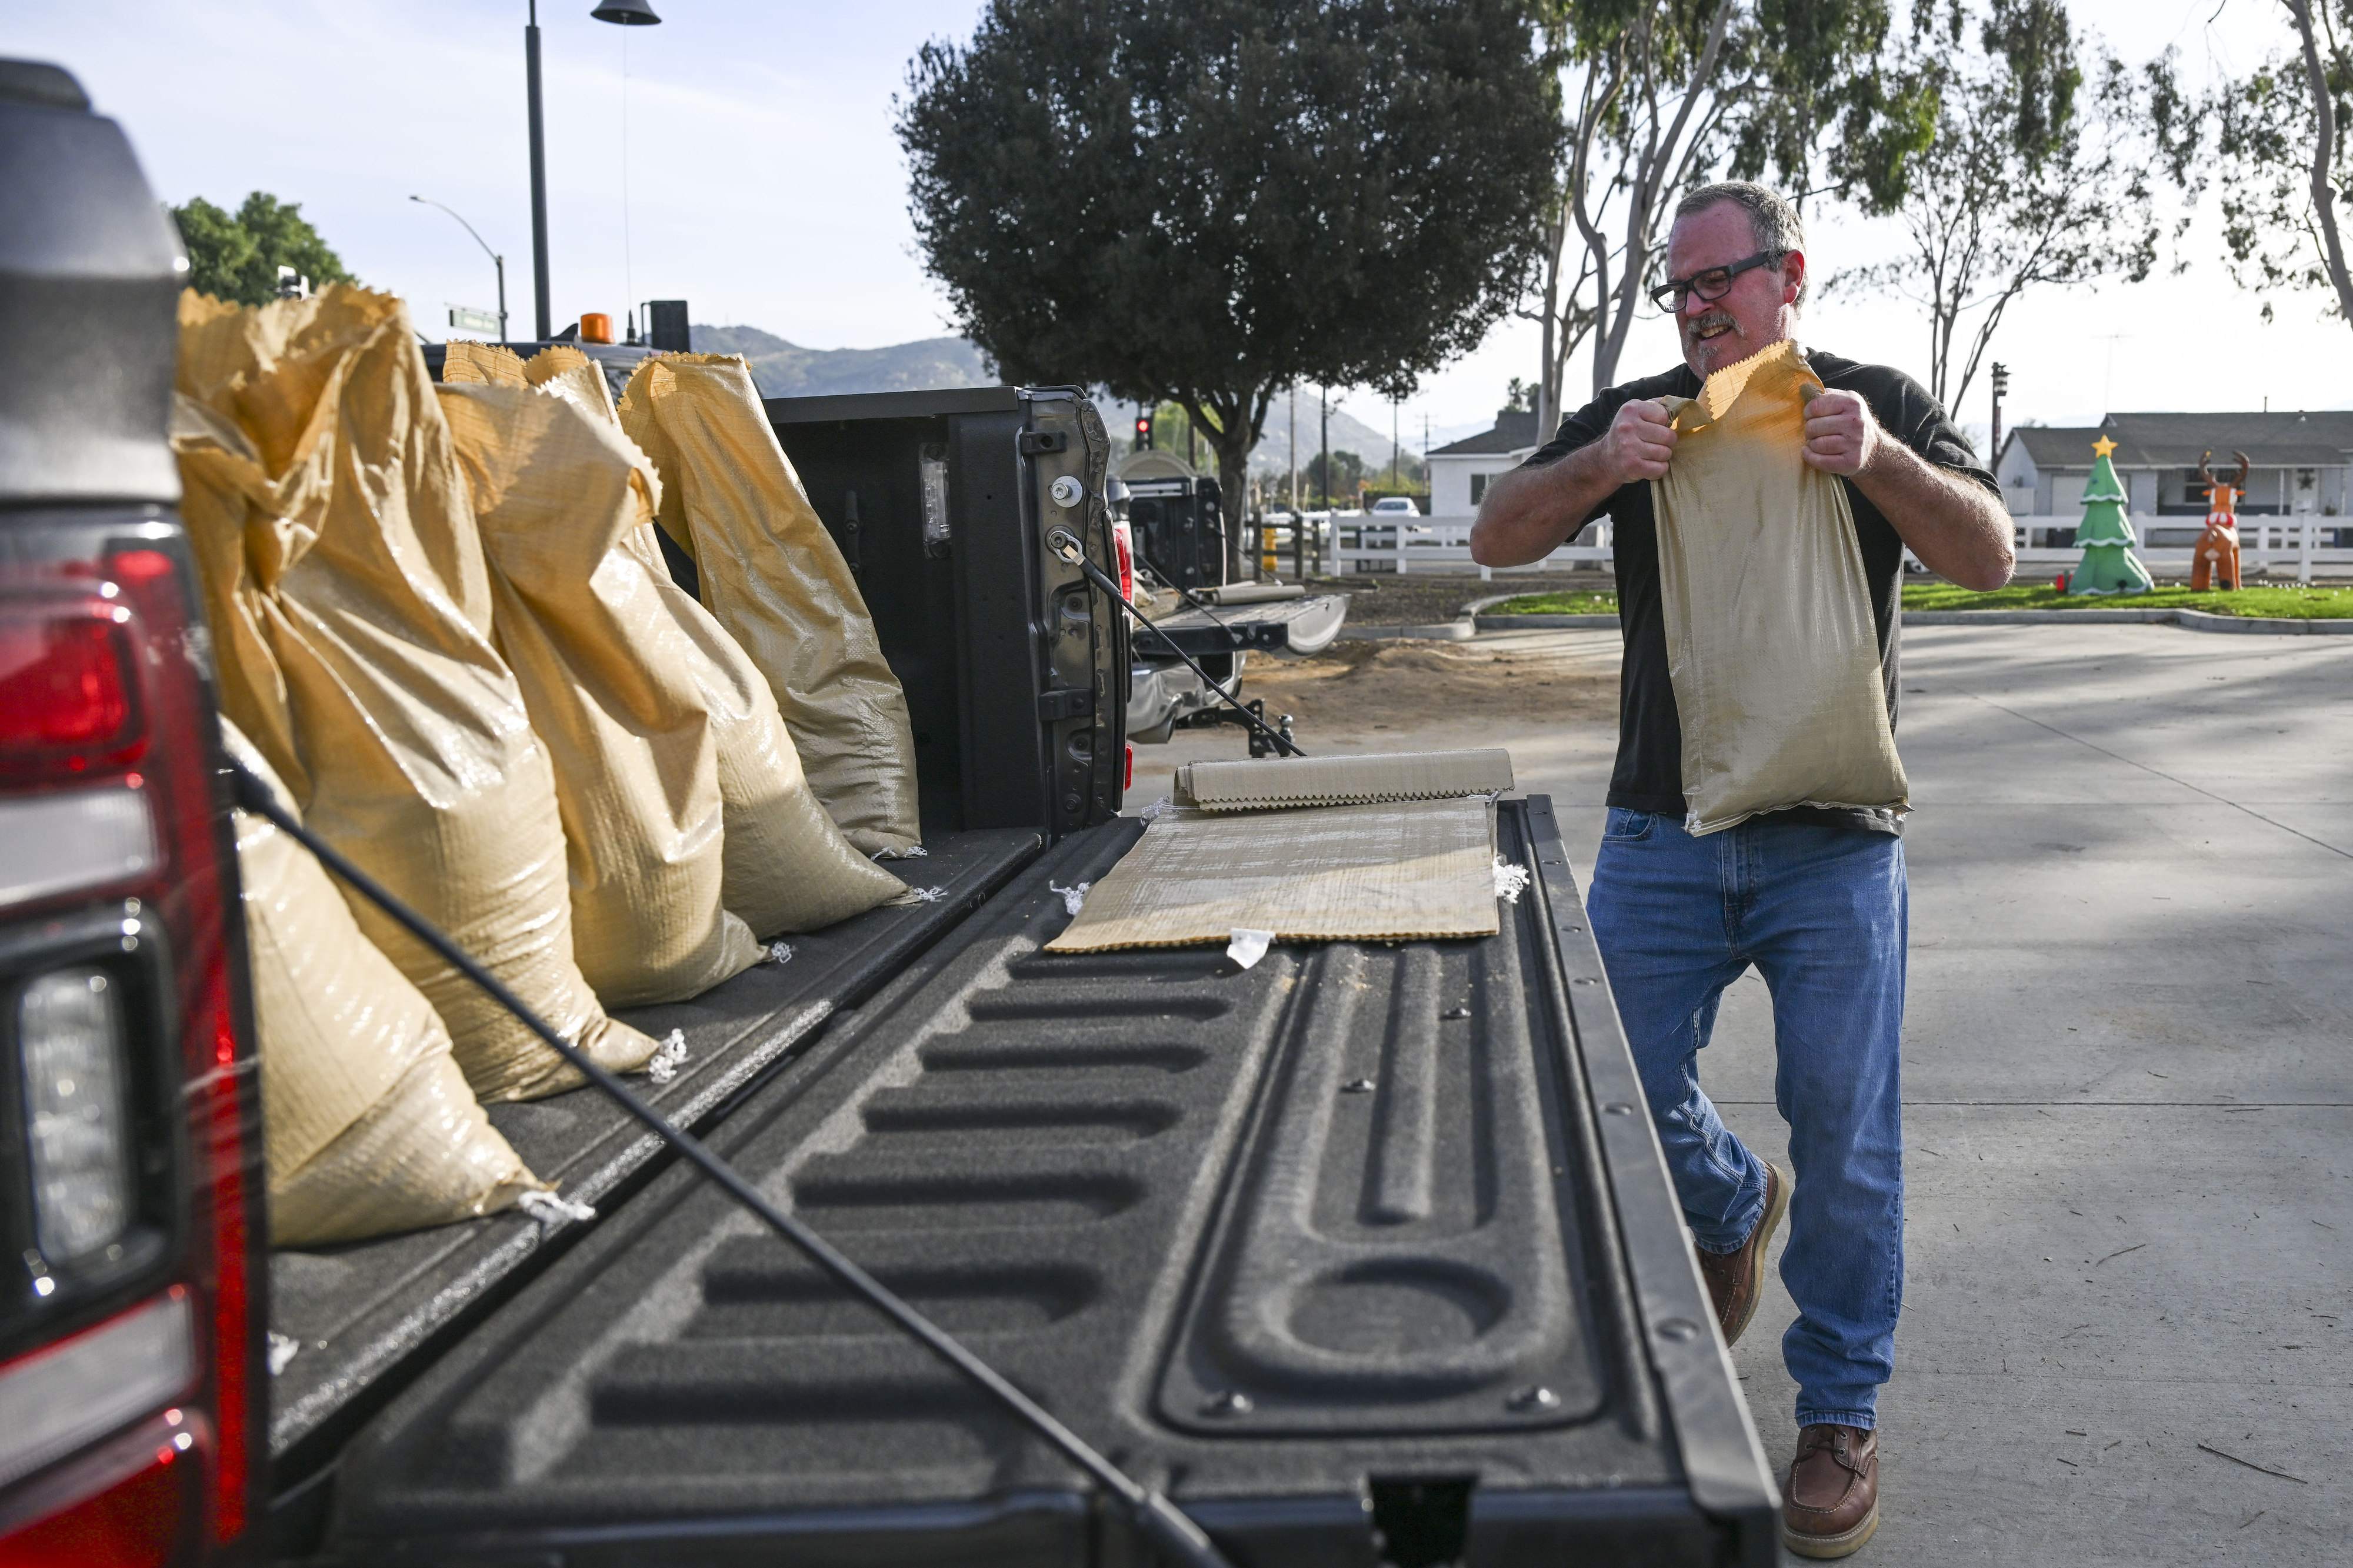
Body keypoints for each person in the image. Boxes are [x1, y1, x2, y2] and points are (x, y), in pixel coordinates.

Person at [1469, 181, 2012, 1560]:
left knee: (1846, 1135)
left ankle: (1835, 1416)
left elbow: (1991, 555)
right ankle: (1726, 1200)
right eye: (1680, 287)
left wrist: (1879, 460)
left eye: (1722, 279)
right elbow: (1495, 535)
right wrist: (1601, 464)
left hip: (1834, 838)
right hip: (1661, 827)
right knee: (1602, 1093)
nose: (1699, 306)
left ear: (1789, 277)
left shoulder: (1867, 397)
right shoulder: (1644, 413)